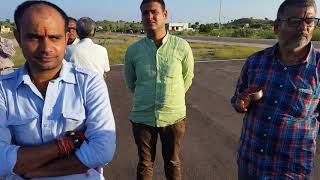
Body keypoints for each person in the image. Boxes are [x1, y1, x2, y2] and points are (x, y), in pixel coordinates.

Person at [0, 1, 116, 179]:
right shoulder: (3, 89)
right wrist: (67, 143)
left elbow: (103, 150)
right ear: (18, 37)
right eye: (34, 37)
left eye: (54, 38)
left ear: (66, 38)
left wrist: (35, 171)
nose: (46, 48)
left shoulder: (89, 83)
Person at [231, 0, 320, 179]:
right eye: (295, 21)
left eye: (310, 21)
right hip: (250, 165)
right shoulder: (255, 62)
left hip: (290, 172)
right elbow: (237, 99)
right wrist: (240, 103)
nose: (304, 28)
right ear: (276, 26)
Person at [124, 0, 194, 179]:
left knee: (172, 162)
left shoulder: (181, 47)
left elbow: (187, 78)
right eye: (145, 13)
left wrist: (172, 98)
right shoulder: (133, 51)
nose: (149, 16)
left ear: (165, 14)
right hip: (142, 117)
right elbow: (130, 82)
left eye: (154, 12)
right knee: (145, 164)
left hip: (174, 117)